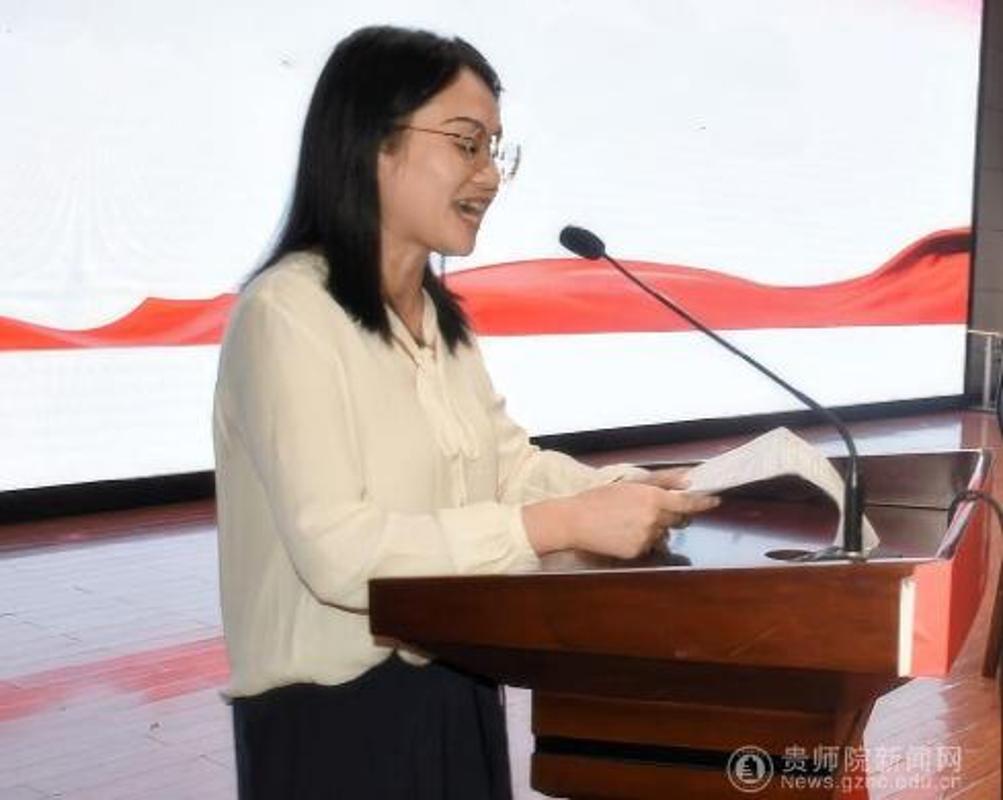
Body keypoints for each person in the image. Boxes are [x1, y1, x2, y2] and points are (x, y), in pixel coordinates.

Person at [212, 24, 719, 800]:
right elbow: (338, 553)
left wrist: (629, 485)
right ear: (373, 143)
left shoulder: (438, 317)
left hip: (458, 683)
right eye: (465, 144)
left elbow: (505, 468)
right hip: (332, 725)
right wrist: (562, 524)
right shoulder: (287, 314)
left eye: (494, 150)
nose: (488, 176)